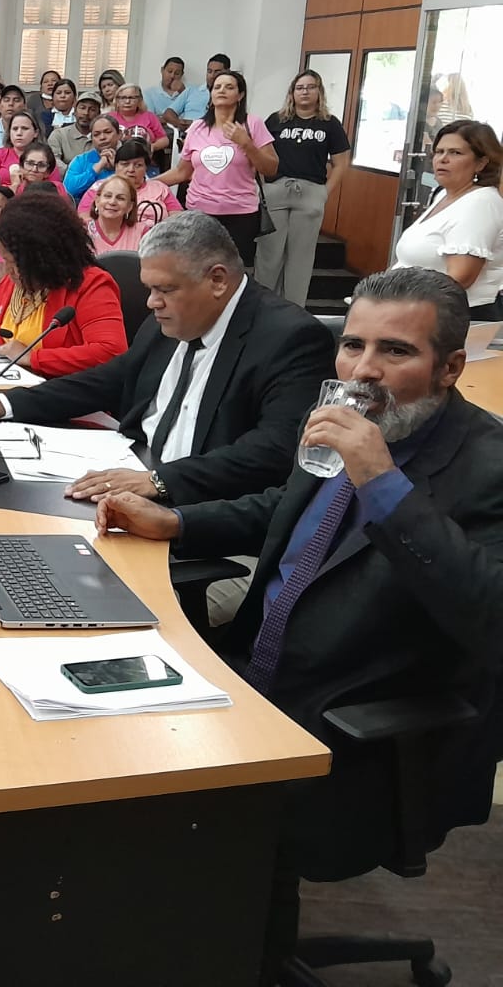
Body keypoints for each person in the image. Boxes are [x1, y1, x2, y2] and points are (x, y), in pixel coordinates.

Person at [94, 268, 503, 919]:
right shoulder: (357, 416)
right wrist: (177, 522)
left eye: (396, 351)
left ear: (450, 367)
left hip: (346, 727)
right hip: (252, 674)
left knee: (143, 823)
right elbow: (286, 507)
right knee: (94, 726)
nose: (363, 370)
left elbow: (488, 611)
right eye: (353, 344)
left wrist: (382, 483)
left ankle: (222, 939)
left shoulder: (486, 467)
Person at [0, 211, 336, 507]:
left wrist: (159, 482)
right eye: (149, 289)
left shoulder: (289, 339)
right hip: (128, 468)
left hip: (193, 505)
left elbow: (273, 450)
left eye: (164, 290)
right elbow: (111, 379)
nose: (151, 303)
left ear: (218, 280)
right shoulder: (168, 321)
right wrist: (2, 404)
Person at [0, 190, 127, 378]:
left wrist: (32, 357)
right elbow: (14, 317)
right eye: (4, 260)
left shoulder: (92, 285)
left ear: (42, 258)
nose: (7, 269)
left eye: (13, 262)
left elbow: (111, 352)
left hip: (61, 390)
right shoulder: (15, 281)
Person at [158, 70, 279, 264]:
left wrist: (246, 144)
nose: (222, 90)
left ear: (240, 95)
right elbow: (182, 172)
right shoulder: (197, 127)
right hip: (199, 213)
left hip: (240, 215)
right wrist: (146, 183)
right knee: (197, 268)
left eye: (229, 87)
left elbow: (271, 168)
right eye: (217, 87)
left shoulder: (252, 124)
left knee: (231, 270)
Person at [257, 70, 352, 306]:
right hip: (276, 190)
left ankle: (293, 309)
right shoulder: (276, 120)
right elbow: (260, 155)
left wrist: (325, 193)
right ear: (292, 92)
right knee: (269, 253)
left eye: (311, 87)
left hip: (310, 192)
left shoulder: (330, 124)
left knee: (300, 257)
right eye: (300, 88)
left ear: (319, 92)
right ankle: (263, 307)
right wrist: (262, 187)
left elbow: (341, 163)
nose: (305, 92)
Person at [393, 120, 503, 319]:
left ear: (481, 163)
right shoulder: (444, 194)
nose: (442, 159)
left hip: (452, 318)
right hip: (416, 309)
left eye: (455, 153)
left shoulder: (481, 202)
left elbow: (460, 278)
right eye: (439, 152)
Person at [76, 138, 181, 227]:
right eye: (125, 164)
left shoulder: (160, 188)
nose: (131, 170)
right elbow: (84, 218)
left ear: (146, 168)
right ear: (116, 166)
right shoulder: (99, 187)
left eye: (138, 165)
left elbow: (178, 220)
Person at [0, 111, 61, 190]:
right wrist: (13, 186)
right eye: (15, 129)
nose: (19, 133)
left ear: (36, 133)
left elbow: (54, 189)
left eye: (25, 128)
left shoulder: (46, 157)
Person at [62, 115, 123, 200]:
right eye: (96, 134)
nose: (102, 137)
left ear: (119, 134)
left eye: (108, 132)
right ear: (91, 139)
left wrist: (117, 169)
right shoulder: (81, 160)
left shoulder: (130, 157)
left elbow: (137, 186)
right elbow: (68, 190)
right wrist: (98, 167)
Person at [85, 175, 149, 254]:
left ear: (130, 206)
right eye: (108, 196)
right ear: (97, 201)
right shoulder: (82, 231)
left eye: (120, 198)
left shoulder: (142, 232)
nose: (112, 202)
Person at [109, 83, 170, 154]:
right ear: (117, 100)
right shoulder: (109, 118)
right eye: (123, 98)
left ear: (139, 100)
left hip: (145, 157)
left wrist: (152, 147)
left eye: (132, 98)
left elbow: (164, 140)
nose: (127, 101)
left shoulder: (150, 116)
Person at [50, 89, 102, 168]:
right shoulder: (59, 135)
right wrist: (74, 173)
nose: (86, 113)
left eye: (92, 110)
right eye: (82, 108)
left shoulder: (103, 136)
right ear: (74, 112)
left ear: (98, 114)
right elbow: (54, 161)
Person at [143, 57, 189, 123]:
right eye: (169, 71)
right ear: (162, 70)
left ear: (181, 75)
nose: (172, 76)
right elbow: (150, 119)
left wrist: (183, 92)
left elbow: (190, 118)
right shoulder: (149, 93)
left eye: (177, 73)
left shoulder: (188, 93)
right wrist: (176, 121)